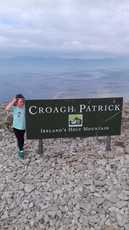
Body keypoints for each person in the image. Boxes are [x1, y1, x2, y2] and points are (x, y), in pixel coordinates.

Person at [5, 94, 26, 159]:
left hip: (23, 127)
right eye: (20, 101)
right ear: (16, 102)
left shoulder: (25, 108)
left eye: (22, 101)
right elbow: (7, 108)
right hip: (16, 127)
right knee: (20, 139)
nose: (22, 103)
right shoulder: (15, 108)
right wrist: (13, 100)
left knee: (21, 138)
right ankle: (21, 151)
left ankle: (20, 147)